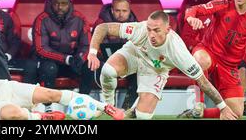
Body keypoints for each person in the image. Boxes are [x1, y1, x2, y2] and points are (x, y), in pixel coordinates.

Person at [88, 10, 238, 120]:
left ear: (168, 30)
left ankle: (134, 110)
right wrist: (92, 53)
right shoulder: (140, 30)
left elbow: (202, 81)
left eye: (156, 30)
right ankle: (108, 106)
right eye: (149, 29)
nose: (151, 34)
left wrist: (223, 107)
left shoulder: (178, 51)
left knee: (142, 116)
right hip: (136, 53)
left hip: (155, 70)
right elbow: (103, 28)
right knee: (107, 70)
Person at [0, 43, 125, 120]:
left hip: (1, 88)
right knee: (13, 114)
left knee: (50, 94)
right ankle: (41, 117)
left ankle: (105, 107)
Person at [179, 0, 246, 119]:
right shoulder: (224, 3)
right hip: (209, 52)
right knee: (200, 59)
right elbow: (194, 10)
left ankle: (199, 115)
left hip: (229, 66)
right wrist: (191, 18)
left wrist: (238, 55)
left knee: (236, 114)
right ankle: (199, 105)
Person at [33, 0, 95, 97]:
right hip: (51, 61)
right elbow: (41, 49)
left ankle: (83, 100)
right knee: (49, 68)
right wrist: (65, 59)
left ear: (69, 4)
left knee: (89, 66)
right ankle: (47, 105)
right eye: (56, 4)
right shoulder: (42, 19)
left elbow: (87, 45)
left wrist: (81, 58)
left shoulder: (80, 19)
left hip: (73, 61)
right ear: (52, 3)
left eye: (64, 4)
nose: (60, 7)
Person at [92, 0, 138, 110]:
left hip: (127, 61)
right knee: (103, 69)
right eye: (117, 10)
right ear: (112, 10)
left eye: (124, 11)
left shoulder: (136, 24)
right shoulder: (101, 23)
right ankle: (108, 107)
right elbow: (96, 46)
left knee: (139, 72)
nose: (121, 14)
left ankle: (126, 110)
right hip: (104, 60)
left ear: (129, 11)